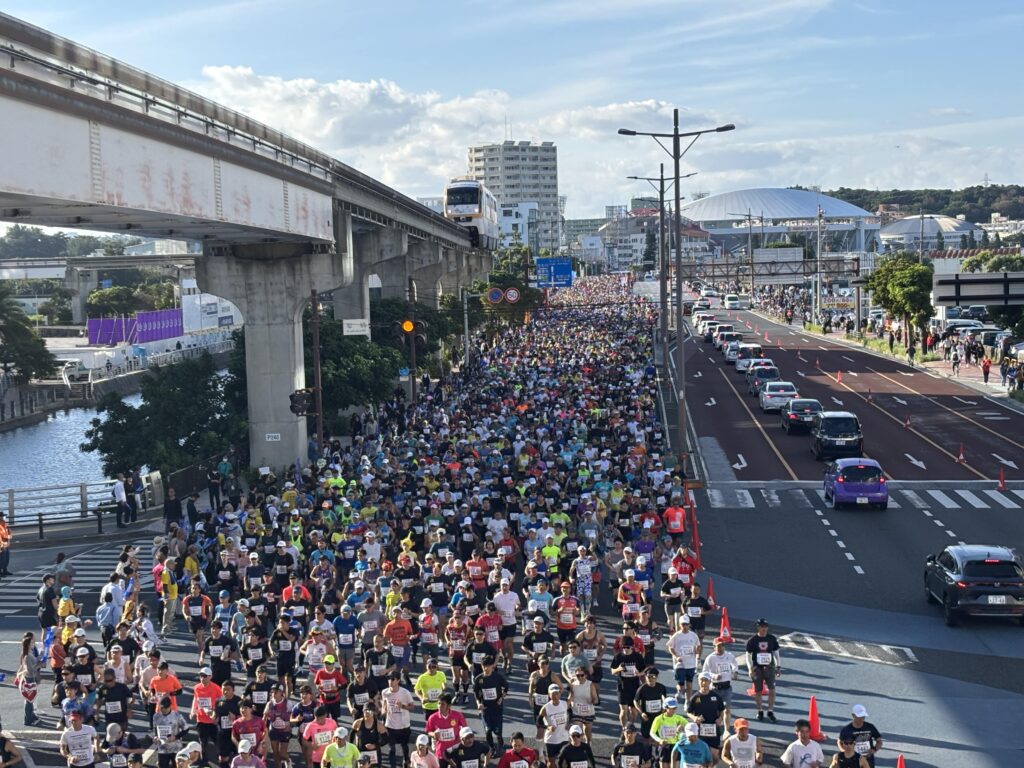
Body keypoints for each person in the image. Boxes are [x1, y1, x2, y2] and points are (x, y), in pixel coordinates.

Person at [744, 619, 779, 722]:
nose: (764, 628)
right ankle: (760, 710)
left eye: (765, 626)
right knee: (758, 691)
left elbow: (776, 653)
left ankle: (770, 711)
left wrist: (778, 666)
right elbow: (747, 655)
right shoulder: (752, 640)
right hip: (757, 668)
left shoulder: (771, 638)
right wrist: (749, 668)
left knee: (772, 690)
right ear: (758, 627)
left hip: (769, 667)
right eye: (762, 626)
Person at [650, 698, 688, 768]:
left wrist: (683, 727)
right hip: (664, 746)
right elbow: (652, 732)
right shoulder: (658, 719)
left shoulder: (679, 718)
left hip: (676, 745)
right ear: (665, 707)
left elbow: (689, 727)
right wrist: (659, 740)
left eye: (675, 708)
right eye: (671, 708)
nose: (673, 710)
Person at [15, 631, 43, 727]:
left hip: (30, 678)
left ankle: (31, 716)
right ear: (28, 644)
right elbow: (31, 670)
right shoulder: (28, 655)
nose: (33, 643)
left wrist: (40, 657)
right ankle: (28, 719)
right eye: (32, 642)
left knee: (30, 700)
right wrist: (40, 664)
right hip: (30, 679)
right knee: (29, 700)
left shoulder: (29, 653)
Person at [539, 685, 570, 768]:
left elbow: (570, 712)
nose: (555, 696)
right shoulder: (546, 708)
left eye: (557, 693)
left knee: (564, 762)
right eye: (553, 694)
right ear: (549, 695)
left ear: (560, 694)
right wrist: (548, 727)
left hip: (564, 738)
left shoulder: (564, 704)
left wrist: (568, 723)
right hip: (551, 740)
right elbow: (538, 721)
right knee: (551, 763)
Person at [0, 511, 11, 577]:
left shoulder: (4, 524)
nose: (4, 517)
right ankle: (0, 571)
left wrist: (9, 540)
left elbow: (8, 532)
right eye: (2, 516)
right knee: (2, 557)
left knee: (7, 556)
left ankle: (5, 569)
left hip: (6, 542)